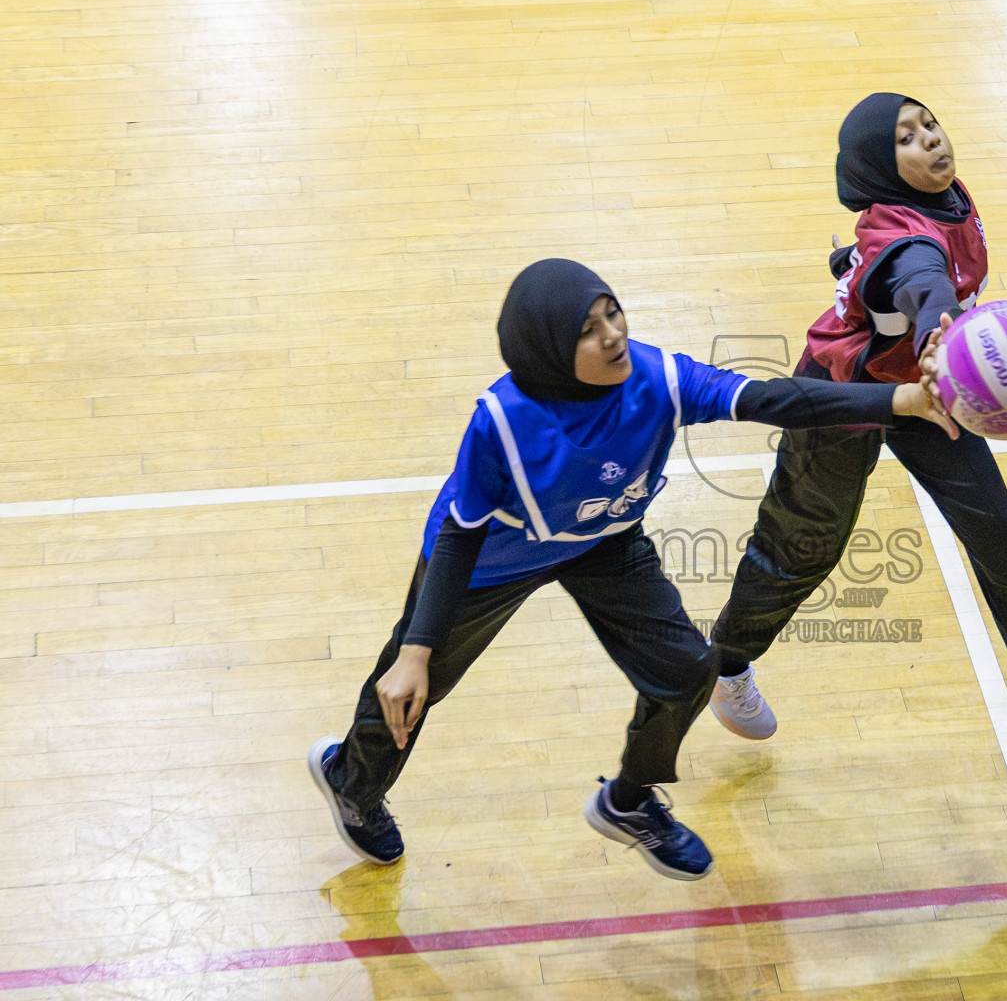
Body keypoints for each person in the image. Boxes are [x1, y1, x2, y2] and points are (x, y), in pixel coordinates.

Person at [308, 258, 956, 881]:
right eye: (587, 329)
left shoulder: (658, 379)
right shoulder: (502, 422)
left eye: (613, 313)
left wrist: (901, 399)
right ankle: (352, 782)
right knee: (412, 689)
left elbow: (772, 398)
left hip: (602, 542)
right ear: (546, 351)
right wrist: (417, 651)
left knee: (686, 673)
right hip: (493, 560)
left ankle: (628, 800)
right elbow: (458, 535)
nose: (613, 334)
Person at [706, 93, 1007, 778]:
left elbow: (897, 262)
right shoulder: (905, 239)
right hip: (849, 389)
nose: (931, 141)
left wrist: (859, 277)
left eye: (930, 123)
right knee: (804, 545)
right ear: (881, 165)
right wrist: (939, 327)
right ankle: (727, 664)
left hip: (937, 394)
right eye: (908, 138)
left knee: (1001, 539)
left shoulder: (946, 199)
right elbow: (919, 278)